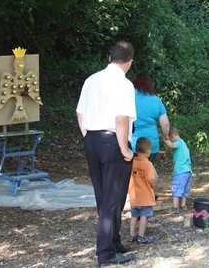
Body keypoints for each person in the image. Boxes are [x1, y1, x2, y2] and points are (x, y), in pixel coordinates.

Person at [76, 41, 136, 266]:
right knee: (113, 197)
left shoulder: (91, 80)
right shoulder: (124, 84)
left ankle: (113, 241)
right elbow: (121, 119)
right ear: (129, 62)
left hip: (92, 138)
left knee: (103, 195)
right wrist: (124, 148)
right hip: (113, 140)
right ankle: (106, 253)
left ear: (109, 58)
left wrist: (87, 135)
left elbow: (80, 112)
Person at [131, 72, 171, 163]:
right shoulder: (156, 100)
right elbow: (165, 124)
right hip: (151, 145)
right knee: (148, 169)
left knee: (133, 171)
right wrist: (165, 136)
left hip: (133, 144)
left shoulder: (128, 98)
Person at [128, 137, 158, 244]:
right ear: (148, 152)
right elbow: (151, 179)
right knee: (144, 216)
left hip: (134, 196)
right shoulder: (148, 164)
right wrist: (154, 187)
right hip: (145, 197)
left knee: (134, 216)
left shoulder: (132, 162)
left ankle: (132, 235)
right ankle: (141, 236)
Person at [162, 126, 192, 213]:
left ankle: (175, 208)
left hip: (181, 171)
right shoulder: (183, 144)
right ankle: (183, 205)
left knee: (176, 189)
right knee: (184, 190)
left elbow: (172, 146)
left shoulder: (178, 143)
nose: (170, 142)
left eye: (170, 139)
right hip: (187, 171)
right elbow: (176, 159)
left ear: (172, 136)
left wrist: (164, 139)